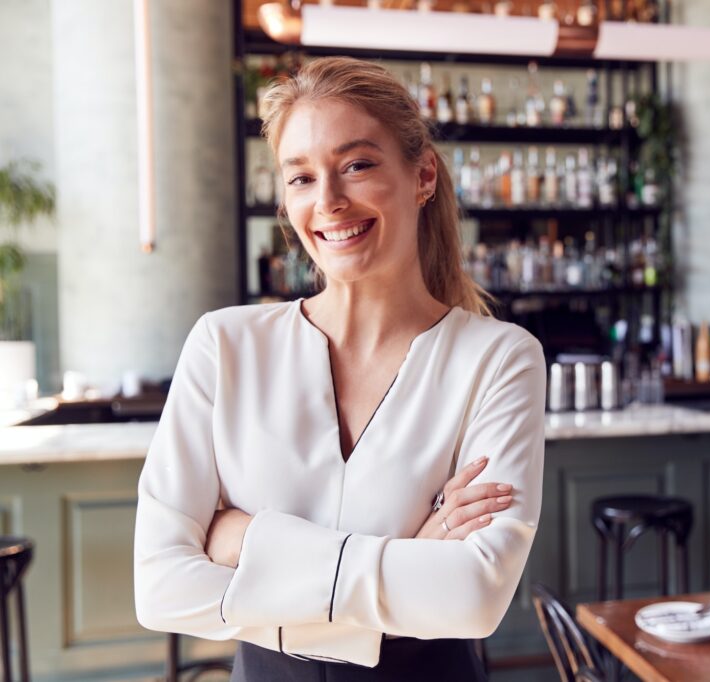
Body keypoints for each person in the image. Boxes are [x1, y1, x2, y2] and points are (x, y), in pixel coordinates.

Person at [133, 56, 546, 681]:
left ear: (423, 174)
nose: (328, 201)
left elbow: (473, 597)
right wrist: (411, 558)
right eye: (300, 178)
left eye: (356, 165)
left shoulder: (499, 358)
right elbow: (160, 585)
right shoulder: (225, 344)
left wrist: (244, 543)